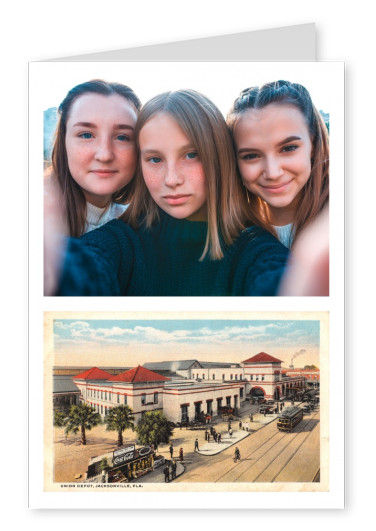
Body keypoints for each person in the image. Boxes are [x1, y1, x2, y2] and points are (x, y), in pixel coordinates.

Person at [48, 89, 289, 296]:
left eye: (191, 155)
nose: (171, 179)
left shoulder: (257, 252)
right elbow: (85, 267)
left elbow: (280, 284)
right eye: (155, 159)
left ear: (218, 157)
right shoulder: (122, 241)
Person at [227, 80, 329, 251]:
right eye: (251, 156)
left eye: (288, 148)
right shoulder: (232, 237)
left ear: (314, 145)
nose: (273, 173)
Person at [48, 79, 141, 237]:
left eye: (122, 137)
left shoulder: (140, 226)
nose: (104, 155)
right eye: (86, 135)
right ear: (64, 143)